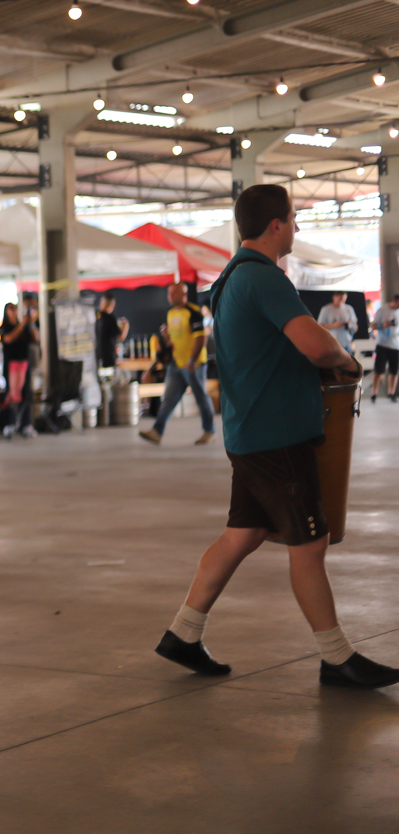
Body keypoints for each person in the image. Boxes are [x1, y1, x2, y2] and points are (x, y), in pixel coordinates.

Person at [155, 183, 399, 689]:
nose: (296, 227)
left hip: (249, 431)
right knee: (310, 543)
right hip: (277, 435)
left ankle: (183, 633)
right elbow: (316, 345)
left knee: (242, 533)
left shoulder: (231, 277)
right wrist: (347, 360)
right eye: (293, 218)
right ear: (276, 226)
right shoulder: (264, 277)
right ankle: (337, 658)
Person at [139, 283, 215, 446]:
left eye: (175, 293)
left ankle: (210, 431)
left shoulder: (193, 312)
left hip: (193, 365)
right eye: (170, 293)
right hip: (176, 364)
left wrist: (192, 361)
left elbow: (201, 338)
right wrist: (166, 338)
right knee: (168, 399)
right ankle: (157, 431)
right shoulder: (171, 314)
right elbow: (172, 341)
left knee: (201, 397)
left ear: (184, 294)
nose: (171, 297)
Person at [0, 302, 37, 437]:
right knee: (10, 394)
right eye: (11, 309)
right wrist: (22, 325)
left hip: (24, 363)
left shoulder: (25, 326)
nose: (14, 311)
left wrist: (30, 324)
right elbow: (8, 339)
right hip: (11, 365)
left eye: (15, 309)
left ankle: (26, 424)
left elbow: (35, 338)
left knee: (26, 393)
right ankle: (8, 423)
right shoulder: (4, 328)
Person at [371, 293, 399, 402]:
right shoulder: (382, 310)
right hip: (382, 344)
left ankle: (391, 393)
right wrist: (383, 324)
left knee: (394, 371)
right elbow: (373, 326)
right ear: (394, 301)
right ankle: (374, 393)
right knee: (379, 370)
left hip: (395, 345)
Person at [96, 291, 128, 372]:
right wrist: (126, 325)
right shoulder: (111, 319)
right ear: (113, 305)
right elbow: (121, 337)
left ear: (101, 303)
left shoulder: (96, 318)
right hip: (109, 359)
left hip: (96, 360)